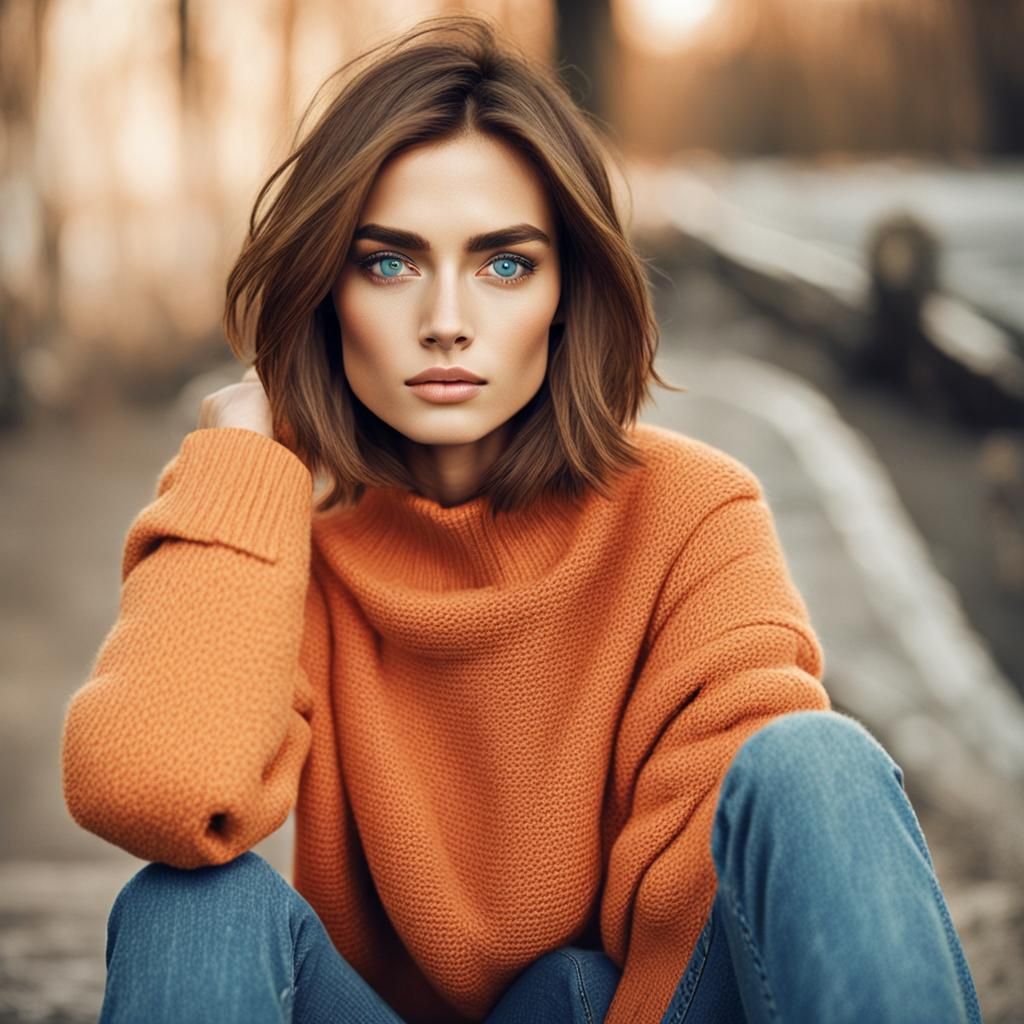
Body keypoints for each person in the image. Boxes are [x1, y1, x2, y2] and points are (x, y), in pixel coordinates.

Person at [60, 13, 982, 1024]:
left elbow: (728, 868)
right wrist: (244, 463)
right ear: (326, 291)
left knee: (817, 760)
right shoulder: (283, 540)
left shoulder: (690, 512)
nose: (446, 317)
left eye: (504, 264)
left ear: (565, 290)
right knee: (190, 902)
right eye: (389, 262)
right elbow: (157, 791)